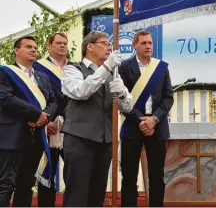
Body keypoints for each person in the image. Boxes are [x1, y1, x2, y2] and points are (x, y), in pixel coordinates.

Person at [61, 31, 134, 207]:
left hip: (105, 140)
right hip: (79, 140)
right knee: (77, 194)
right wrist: (106, 68)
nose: (109, 47)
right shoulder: (73, 69)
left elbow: (128, 107)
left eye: (109, 44)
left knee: (97, 194)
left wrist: (123, 94)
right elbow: (81, 92)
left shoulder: (113, 75)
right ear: (90, 46)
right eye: (104, 43)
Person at [118, 30, 174, 207]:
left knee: (157, 175)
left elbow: (168, 97)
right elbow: (122, 98)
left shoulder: (161, 68)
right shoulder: (125, 67)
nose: (148, 46)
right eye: (143, 43)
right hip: (133, 126)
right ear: (135, 45)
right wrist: (141, 121)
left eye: (150, 43)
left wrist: (154, 119)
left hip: (157, 126)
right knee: (129, 175)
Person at [0, 36, 57, 207]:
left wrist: (44, 116)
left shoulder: (42, 77)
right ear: (16, 50)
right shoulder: (5, 72)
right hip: (12, 138)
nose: (33, 50)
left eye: (35, 47)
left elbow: (53, 101)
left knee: (26, 185)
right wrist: (36, 114)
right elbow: (6, 99)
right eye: (28, 47)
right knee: (6, 184)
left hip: (36, 138)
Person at [33, 33, 72, 207]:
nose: (62, 46)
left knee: (74, 174)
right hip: (49, 126)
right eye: (58, 43)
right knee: (47, 172)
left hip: (73, 127)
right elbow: (34, 97)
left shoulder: (75, 67)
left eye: (65, 43)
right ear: (49, 45)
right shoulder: (38, 67)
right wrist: (44, 121)